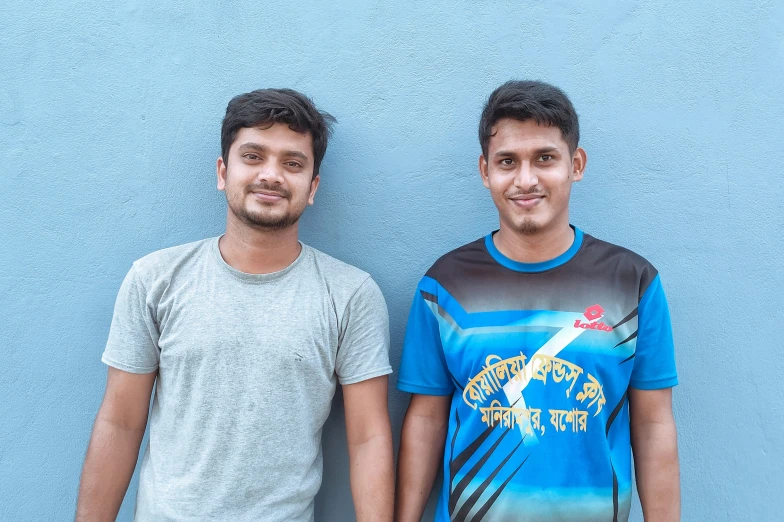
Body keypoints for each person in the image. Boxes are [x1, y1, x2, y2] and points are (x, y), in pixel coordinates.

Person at [76, 88, 394, 522]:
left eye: (292, 163)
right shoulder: (155, 280)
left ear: (312, 186)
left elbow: (368, 438)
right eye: (253, 156)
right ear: (223, 171)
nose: (271, 175)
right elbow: (120, 422)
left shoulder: (350, 294)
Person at [395, 80, 679, 522]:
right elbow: (427, 421)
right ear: (485, 171)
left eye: (544, 158)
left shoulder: (633, 283)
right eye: (507, 162)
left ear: (576, 164)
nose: (525, 180)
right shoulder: (445, 285)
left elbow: (653, 425)